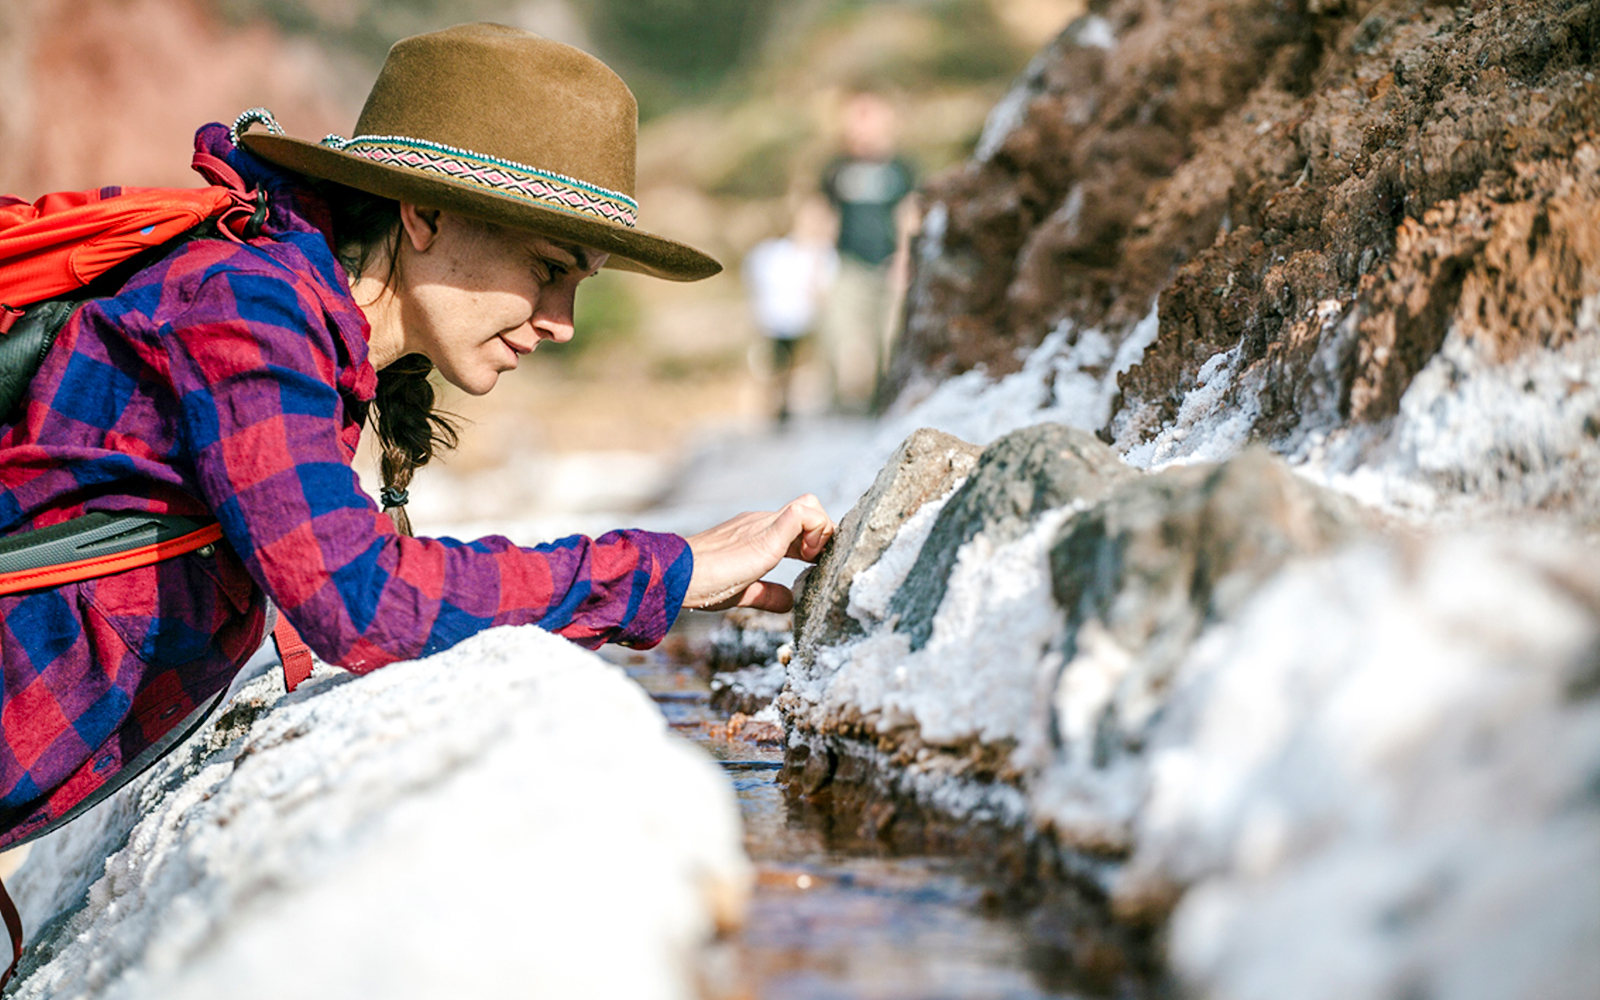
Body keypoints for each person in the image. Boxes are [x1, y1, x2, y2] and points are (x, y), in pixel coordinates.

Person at [0, 24, 834, 855]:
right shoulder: (246, 310)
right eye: (549, 269)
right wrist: (661, 569)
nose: (564, 325)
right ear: (426, 214)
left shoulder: (300, 319)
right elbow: (363, 599)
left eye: (579, 286)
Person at [818, 91, 917, 412]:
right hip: (848, 264)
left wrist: (905, 258)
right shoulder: (836, 169)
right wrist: (816, 263)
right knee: (844, 340)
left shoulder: (901, 168)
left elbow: (909, 214)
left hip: (888, 264)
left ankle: (881, 404)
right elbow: (821, 215)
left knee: (888, 341)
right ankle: (844, 405)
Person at [741, 196, 837, 423]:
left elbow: (823, 291)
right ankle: (776, 407)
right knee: (775, 367)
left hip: (805, 321)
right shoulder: (772, 253)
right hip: (777, 320)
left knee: (798, 367)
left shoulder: (822, 255)